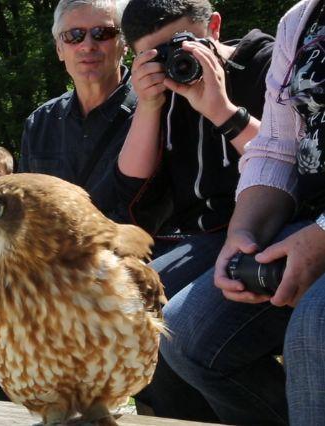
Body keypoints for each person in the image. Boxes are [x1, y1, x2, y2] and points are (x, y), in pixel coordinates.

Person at [161, 0, 325, 423]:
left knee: (315, 324)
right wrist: (243, 233)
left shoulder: (259, 57)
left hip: (312, 226)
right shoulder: (301, 19)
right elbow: (277, 146)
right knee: (181, 333)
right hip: (298, 223)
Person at [117, 0, 275, 420]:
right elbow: (131, 180)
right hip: (200, 235)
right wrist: (149, 105)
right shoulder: (162, 92)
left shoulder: (268, 64)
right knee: (118, 305)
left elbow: (288, 161)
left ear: (216, 27)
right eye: (156, 55)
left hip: (271, 226)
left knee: (177, 326)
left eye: (184, 45)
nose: (176, 62)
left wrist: (221, 109)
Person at [19, 0, 135, 220]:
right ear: (59, 49)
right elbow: (26, 210)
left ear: (124, 43)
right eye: (74, 35)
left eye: (103, 33)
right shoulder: (40, 123)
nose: (88, 45)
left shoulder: (156, 110)